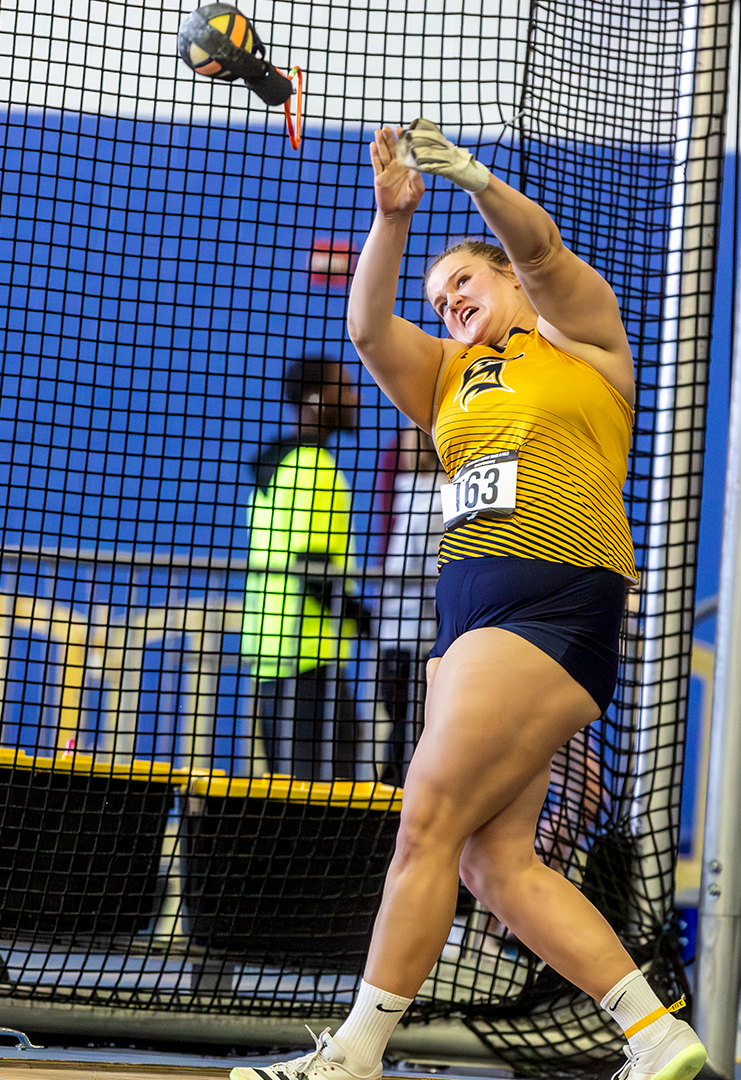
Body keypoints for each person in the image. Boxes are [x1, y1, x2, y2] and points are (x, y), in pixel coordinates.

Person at [231, 122, 704, 1080]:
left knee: (426, 821)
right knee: (496, 863)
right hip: (469, 628)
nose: (450, 303)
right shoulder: (446, 377)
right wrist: (393, 219)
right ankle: (656, 1039)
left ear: (511, 289)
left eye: (467, 285)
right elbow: (368, 329)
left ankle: (355, 1054)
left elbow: (541, 251)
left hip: (552, 605)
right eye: (441, 297)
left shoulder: (585, 345)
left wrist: (476, 180)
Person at [241, 355, 371, 781]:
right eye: (345, 388)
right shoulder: (313, 466)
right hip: (307, 666)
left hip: (273, 664)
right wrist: (371, 621)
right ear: (317, 399)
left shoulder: (279, 464)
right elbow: (311, 567)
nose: (356, 398)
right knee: (332, 805)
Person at [371, 424, 446, 785]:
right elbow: (405, 562)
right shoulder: (432, 494)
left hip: (404, 634)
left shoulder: (409, 492)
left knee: (409, 731)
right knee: (411, 732)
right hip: (414, 636)